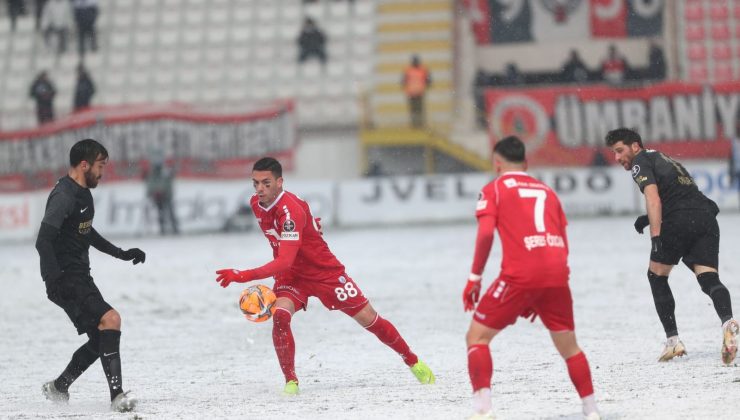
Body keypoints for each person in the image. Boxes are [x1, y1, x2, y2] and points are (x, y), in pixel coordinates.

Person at [214, 157, 435, 395]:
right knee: (280, 316)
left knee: (369, 319)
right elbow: (295, 237)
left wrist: (242, 275)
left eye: (266, 183)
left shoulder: (290, 211)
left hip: (324, 273)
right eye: (255, 183)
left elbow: (284, 257)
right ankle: (291, 381)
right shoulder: (256, 205)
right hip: (291, 277)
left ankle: (413, 361)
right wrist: (310, 225)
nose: (259, 189)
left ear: (280, 182)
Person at [463, 136, 600, 420]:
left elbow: (486, 233)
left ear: (496, 164)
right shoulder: (547, 191)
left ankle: (483, 410)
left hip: (520, 275)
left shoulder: (494, 189)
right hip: (556, 274)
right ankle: (591, 410)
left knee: (477, 337)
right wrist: (544, 287)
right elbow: (563, 238)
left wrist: (475, 277)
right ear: (525, 163)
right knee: (569, 347)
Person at [605, 128, 738, 365]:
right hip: (706, 218)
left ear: (635, 146)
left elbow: (654, 198)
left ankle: (673, 340)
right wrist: (647, 218)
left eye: (619, 151)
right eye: (614, 153)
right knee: (708, 278)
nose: (617, 158)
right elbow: (680, 195)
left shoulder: (640, 162)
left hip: (678, 221)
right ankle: (729, 322)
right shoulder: (664, 158)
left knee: (656, 275)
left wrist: (656, 239)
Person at [35, 139, 146, 412]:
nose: (102, 172)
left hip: (79, 276)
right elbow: (43, 240)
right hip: (66, 278)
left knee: (100, 340)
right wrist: (55, 278)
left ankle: (59, 386)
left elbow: (85, 232)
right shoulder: (64, 195)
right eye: (100, 166)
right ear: (84, 165)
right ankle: (117, 397)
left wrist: (121, 253)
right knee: (111, 319)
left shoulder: (83, 193)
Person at [144, 159, 179, 235]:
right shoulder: (153, 176)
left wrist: (165, 193)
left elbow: (168, 186)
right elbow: (150, 187)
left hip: (166, 197)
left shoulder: (164, 175)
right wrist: (154, 193)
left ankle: (174, 228)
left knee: (169, 213)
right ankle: (163, 229)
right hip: (158, 199)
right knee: (161, 214)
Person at [401, 55, 432, 128]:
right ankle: (418, 124)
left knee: (415, 110)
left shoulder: (409, 70)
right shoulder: (423, 70)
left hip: (414, 93)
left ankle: (416, 124)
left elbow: (403, 81)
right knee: (418, 109)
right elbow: (429, 81)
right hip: (417, 92)